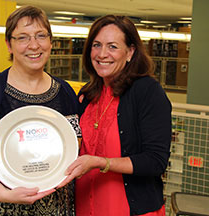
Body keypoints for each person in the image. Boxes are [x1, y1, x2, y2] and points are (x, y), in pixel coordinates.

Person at [0, 6, 80, 216]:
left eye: (41, 35)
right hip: (2, 209)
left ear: (51, 41)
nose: (34, 45)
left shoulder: (65, 92)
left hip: (60, 209)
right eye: (22, 38)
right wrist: (3, 194)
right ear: (9, 45)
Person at [59, 15, 172, 215]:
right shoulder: (87, 95)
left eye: (112, 46)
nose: (102, 54)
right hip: (86, 206)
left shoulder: (147, 92)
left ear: (130, 52)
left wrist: (102, 162)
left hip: (127, 209)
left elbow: (155, 161)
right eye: (96, 45)